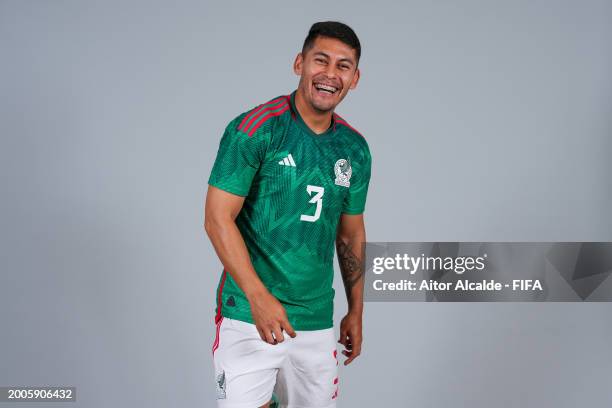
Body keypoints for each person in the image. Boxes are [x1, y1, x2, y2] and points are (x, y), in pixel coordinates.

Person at [204, 21, 372, 408]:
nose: (330, 74)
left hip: (315, 320)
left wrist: (356, 311)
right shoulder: (255, 130)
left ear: (355, 78)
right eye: (321, 61)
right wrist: (258, 296)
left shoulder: (355, 149)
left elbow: (350, 236)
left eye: (343, 66)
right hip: (248, 314)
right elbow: (217, 219)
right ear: (300, 63)